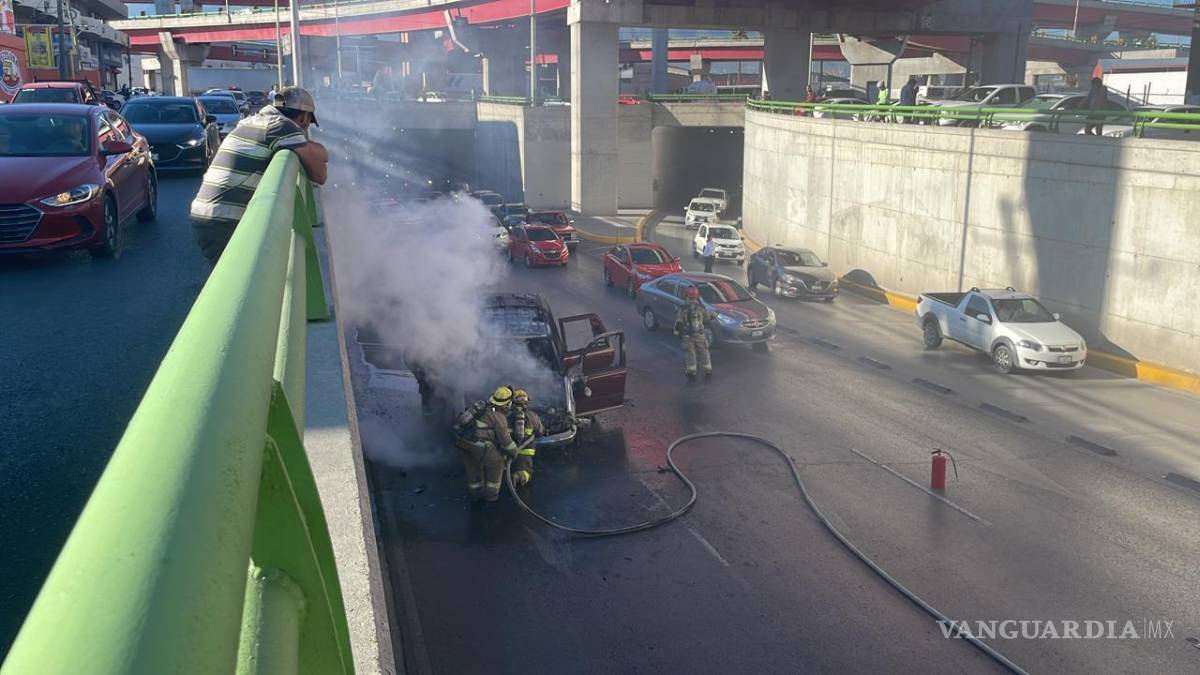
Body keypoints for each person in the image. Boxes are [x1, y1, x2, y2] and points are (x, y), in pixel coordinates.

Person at [190, 86, 328, 265]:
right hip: (224, 219)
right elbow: (320, 174)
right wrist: (310, 147)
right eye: (308, 123)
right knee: (242, 281)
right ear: (303, 117)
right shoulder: (282, 126)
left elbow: (323, 153)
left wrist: (312, 148)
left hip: (208, 214)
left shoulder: (256, 121)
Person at [455, 386, 521, 502]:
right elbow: (506, 442)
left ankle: (475, 494)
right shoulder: (499, 417)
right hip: (479, 446)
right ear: (507, 404)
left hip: (464, 443)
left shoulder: (483, 408)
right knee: (497, 464)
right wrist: (515, 452)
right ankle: (491, 497)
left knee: (474, 469)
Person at [674, 286, 716, 378]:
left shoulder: (683, 308)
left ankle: (691, 370)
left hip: (688, 336)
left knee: (690, 352)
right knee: (704, 351)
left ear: (686, 295)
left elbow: (679, 321)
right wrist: (715, 314)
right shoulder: (701, 307)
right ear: (697, 296)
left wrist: (677, 332)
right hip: (700, 335)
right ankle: (708, 369)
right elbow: (707, 317)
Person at [508, 389, 544, 488]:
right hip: (525, 452)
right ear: (527, 402)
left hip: (508, 451)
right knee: (526, 472)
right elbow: (540, 432)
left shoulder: (507, 415)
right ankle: (517, 477)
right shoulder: (533, 416)